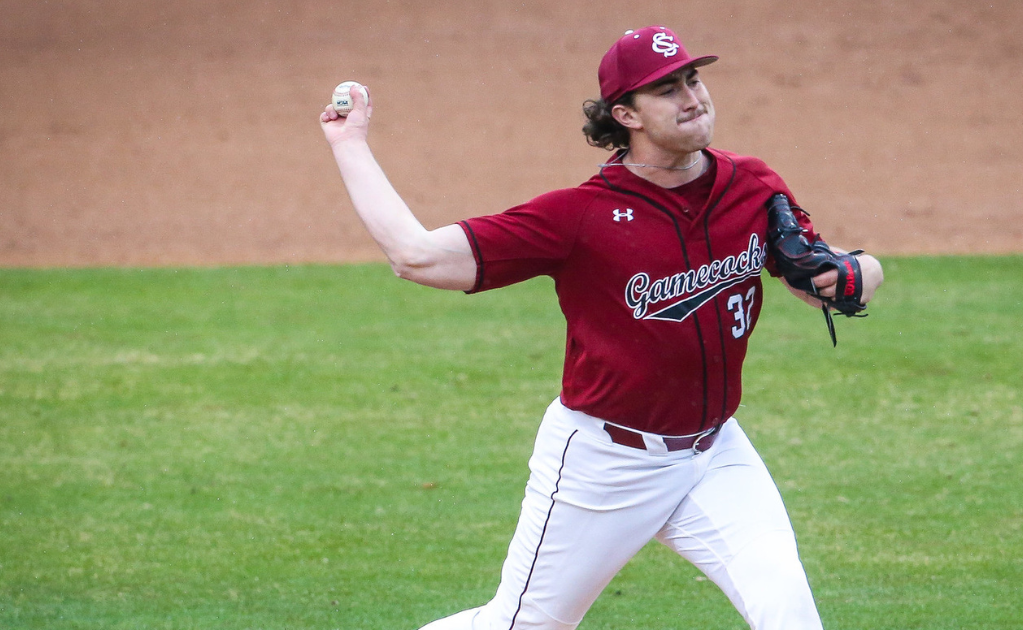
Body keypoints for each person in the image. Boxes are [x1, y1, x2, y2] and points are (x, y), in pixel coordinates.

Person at [320, 25, 882, 630]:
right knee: (521, 626)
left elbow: (813, 271)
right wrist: (349, 142)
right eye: (667, 89)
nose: (692, 97)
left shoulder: (750, 183)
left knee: (789, 613)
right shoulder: (579, 216)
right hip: (604, 463)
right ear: (625, 115)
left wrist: (855, 272)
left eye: (693, 79)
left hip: (716, 454)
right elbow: (418, 256)